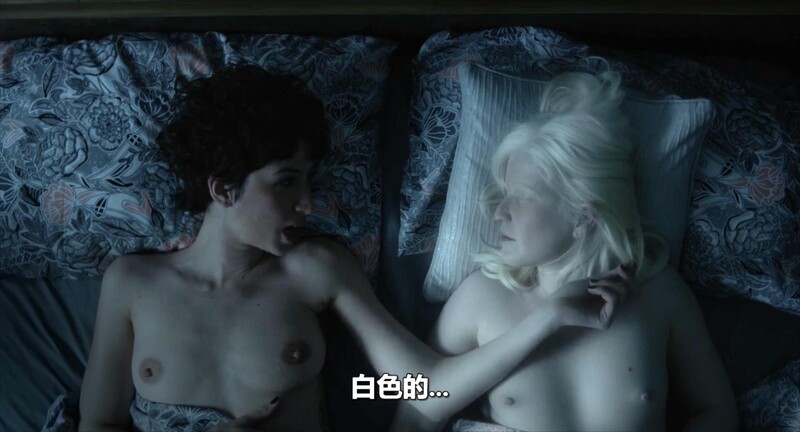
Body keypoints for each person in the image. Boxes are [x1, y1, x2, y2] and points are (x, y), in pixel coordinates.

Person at [78, 65, 635, 432]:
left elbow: (419, 388)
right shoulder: (132, 284)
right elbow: (98, 423)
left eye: (309, 181)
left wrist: (548, 318)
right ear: (224, 190)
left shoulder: (317, 271)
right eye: (286, 181)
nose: (308, 204)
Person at [415, 70, 738, 432]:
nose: (498, 213)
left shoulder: (659, 293)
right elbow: (417, 409)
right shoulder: (481, 297)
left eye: (521, 197)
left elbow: (717, 412)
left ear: (583, 215)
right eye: (505, 195)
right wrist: (546, 320)